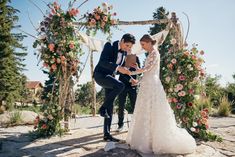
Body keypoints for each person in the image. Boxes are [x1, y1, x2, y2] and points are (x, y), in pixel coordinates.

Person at [126, 27, 196, 154]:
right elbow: (147, 72)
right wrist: (138, 80)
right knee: (145, 111)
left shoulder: (155, 53)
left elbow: (148, 69)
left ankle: (155, 141)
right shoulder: (149, 54)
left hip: (153, 85)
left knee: (154, 111)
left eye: (143, 44)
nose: (142, 47)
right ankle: (146, 140)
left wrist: (132, 71)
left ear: (148, 42)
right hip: (146, 84)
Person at [93, 33, 136, 142]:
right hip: (100, 75)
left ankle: (107, 134)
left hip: (110, 79)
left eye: (130, 47)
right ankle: (102, 108)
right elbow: (103, 62)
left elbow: (121, 72)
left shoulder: (125, 53)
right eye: (127, 45)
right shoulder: (109, 45)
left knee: (110, 107)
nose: (128, 48)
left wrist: (130, 79)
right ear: (121, 40)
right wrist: (118, 67)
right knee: (120, 85)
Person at [117, 55, 140, 132]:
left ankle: (136, 125)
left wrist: (137, 67)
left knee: (135, 105)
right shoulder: (123, 57)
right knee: (121, 105)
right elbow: (120, 72)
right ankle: (120, 125)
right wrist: (130, 79)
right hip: (122, 85)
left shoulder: (136, 58)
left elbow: (139, 73)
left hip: (133, 86)